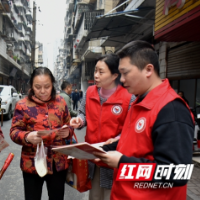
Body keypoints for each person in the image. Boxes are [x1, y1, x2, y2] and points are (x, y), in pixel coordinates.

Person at [93, 41, 194, 200]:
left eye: (125, 73)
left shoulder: (172, 110)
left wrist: (122, 163)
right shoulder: (139, 102)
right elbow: (135, 145)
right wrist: (102, 149)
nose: (122, 80)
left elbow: (177, 173)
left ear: (148, 70)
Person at [70, 53, 135, 200]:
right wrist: (79, 121)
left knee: (112, 196)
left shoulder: (128, 97)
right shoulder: (89, 92)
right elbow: (83, 113)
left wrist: (117, 139)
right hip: (93, 157)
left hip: (114, 158)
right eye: (95, 71)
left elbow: (130, 127)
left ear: (114, 76)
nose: (96, 75)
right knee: (95, 196)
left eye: (101, 72)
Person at [10, 67, 74, 200]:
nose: (43, 91)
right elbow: (14, 131)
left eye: (47, 86)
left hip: (57, 163)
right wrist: (27, 137)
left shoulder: (61, 102)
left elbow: (68, 125)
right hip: (32, 164)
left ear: (52, 85)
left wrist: (68, 132)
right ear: (32, 86)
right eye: (38, 87)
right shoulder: (22, 105)